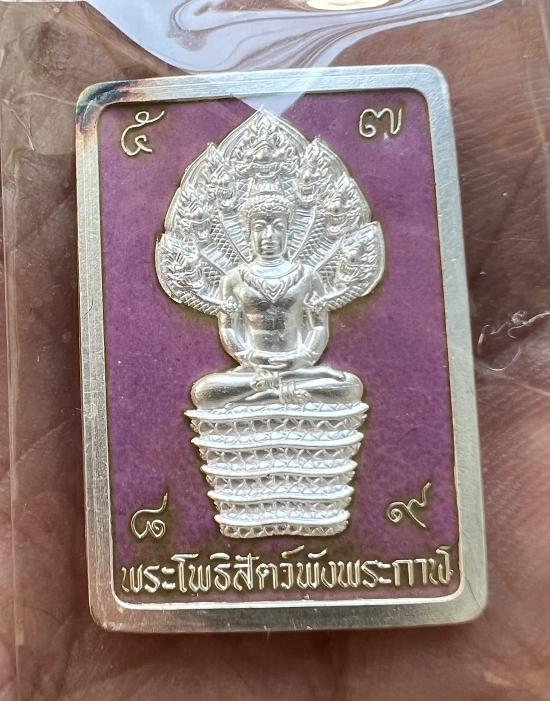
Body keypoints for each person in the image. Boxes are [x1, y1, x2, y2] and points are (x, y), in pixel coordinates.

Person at [191, 185, 363, 410]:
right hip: (253, 370)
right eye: (259, 228)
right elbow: (229, 328)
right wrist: (250, 357)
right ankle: (280, 392)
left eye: (278, 227)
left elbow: (319, 327)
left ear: (289, 231)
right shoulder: (233, 279)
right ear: (248, 233)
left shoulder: (308, 276)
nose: (269, 236)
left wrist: (303, 358)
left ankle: (265, 394)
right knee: (204, 391)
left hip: (297, 367)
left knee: (350, 387)